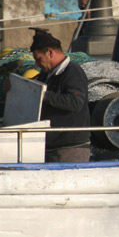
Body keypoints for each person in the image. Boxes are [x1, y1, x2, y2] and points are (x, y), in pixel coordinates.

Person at [30, 28, 91, 163]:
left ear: (50, 53)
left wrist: (43, 95)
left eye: (38, 59)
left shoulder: (73, 72)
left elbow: (75, 102)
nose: (37, 64)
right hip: (51, 148)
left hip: (70, 150)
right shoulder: (47, 75)